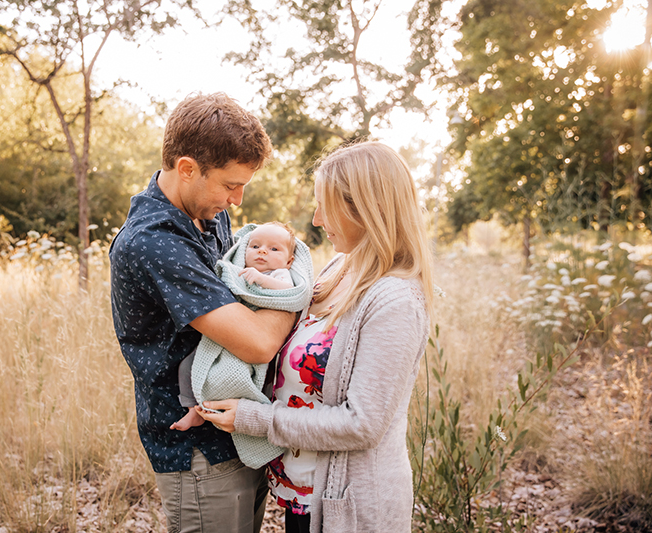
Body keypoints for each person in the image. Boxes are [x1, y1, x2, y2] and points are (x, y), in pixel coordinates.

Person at [198, 141, 434, 533]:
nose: (317, 219)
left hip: (352, 511)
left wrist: (255, 419)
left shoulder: (395, 300)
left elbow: (361, 424)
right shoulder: (341, 266)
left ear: (365, 208)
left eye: (326, 206)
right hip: (303, 495)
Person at [109, 93, 295, 533]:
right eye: (230, 185)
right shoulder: (153, 241)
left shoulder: (207, 214)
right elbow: (258, 343)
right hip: (199, 452)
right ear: (188, 169)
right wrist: (292, 289)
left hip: (242, 430)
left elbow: (247, 297)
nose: (238, 199)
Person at [171, 222, 299, 432]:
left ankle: (252, 406)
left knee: (258, 375)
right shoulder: (238, 271)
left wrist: (261, 279)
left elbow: (288, 291)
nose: (262, 251)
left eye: (274, 249)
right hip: (233, 329)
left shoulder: (279, 274)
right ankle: (193, 407)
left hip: (258, 333)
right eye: (255, 246)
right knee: (188, 365)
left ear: (289, 261)